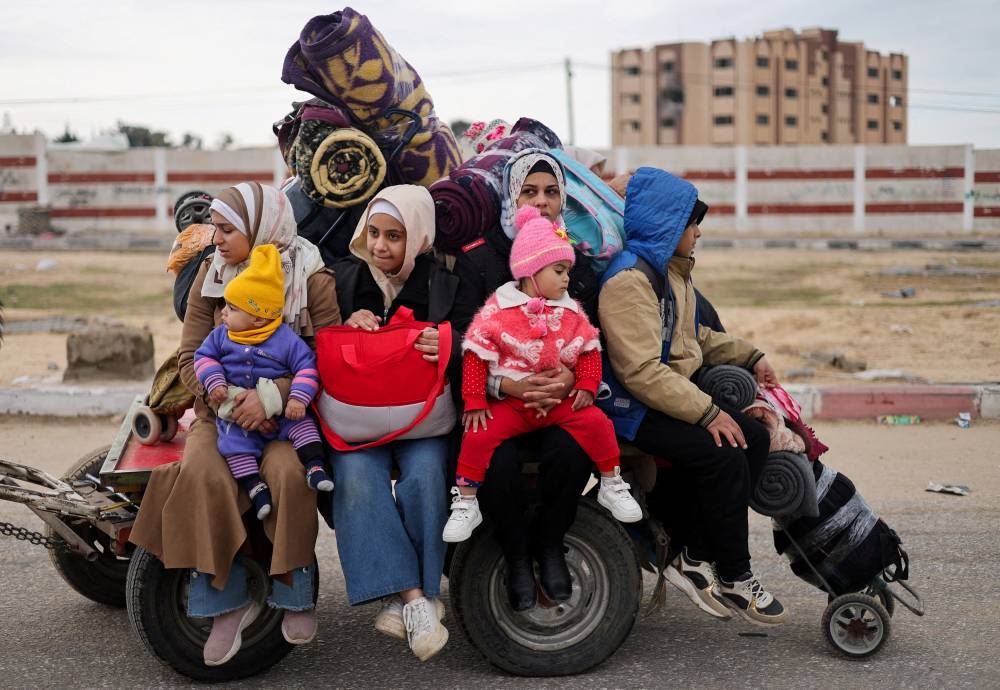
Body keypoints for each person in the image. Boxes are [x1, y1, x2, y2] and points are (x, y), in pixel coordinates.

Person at [129, 182, 342, 666]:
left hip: (290, 419)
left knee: (290, 475)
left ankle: (294, 590)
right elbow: (190, 358)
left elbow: (327, 359)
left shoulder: (311, 276)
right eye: (215, 229)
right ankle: (226, 598)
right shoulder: (211, 271)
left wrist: (272, 398)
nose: (216, 238)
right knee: (201, 472)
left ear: (260, 227)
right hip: (221, 417)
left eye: (226, 229)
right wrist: (228, 403)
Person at [597, 167, 787, 626]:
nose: (698, 233)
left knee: (754, 438)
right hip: (628, 406)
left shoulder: (670, 273)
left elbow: (693, 339)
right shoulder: (629, 282)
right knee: (723, 450)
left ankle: (696, 553)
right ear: (667, 224)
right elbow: (639, 372)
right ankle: (734, 574)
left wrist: (751, 355)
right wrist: (708, 413)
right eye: (691, 223)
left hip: (663, 393)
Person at [450, 148, 597, 611]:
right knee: (496, 462)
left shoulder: (578, 265)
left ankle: (550, 546)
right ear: (510, 198)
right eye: (528, 191)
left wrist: (571, 376)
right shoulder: (479, 258)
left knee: (573, 454)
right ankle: (515, 556)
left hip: (558, 401)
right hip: (497, 401)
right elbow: (460, 339)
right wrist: (505, 385)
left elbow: (593, 338)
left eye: (551, 192)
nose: (541, 202)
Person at [443, 206, 641, 543]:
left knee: (597, 423)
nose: (567, 279)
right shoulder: (499, 308)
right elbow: (476, 351)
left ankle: (611, 481)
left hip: (557, 403)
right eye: (560, 271)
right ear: (531, 272)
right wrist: (475, 399)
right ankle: (465, 500)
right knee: (478, 433)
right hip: (511, 405)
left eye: (567, 271)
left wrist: (587, 385)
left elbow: (590, 348)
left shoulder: (570, 309)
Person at [325, 185, 461, 662]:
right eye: (375, 233)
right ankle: (417, 600)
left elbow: (473, 334)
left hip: (421, 417)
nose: (381, 246)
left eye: (395, 236)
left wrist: (449, 344)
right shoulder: (343, 278)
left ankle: (412, 595)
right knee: (357, 478)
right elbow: (315, 336)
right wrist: (346, 319)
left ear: (420, 238)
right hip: (357, 417)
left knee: (426, 476)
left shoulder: (445, 282)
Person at [193, 244, 332, 522]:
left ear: (257, 317)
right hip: (236, 415)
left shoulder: (284, 339)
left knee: (303, 425)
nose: (223, 313)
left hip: (281, 415)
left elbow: (307, 367)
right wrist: (216, 384)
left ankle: (315, 466)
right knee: (232, 443)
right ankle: (254, 486)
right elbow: (202, 358)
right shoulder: (222, 336)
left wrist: (296, 399)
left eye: (232, 308)